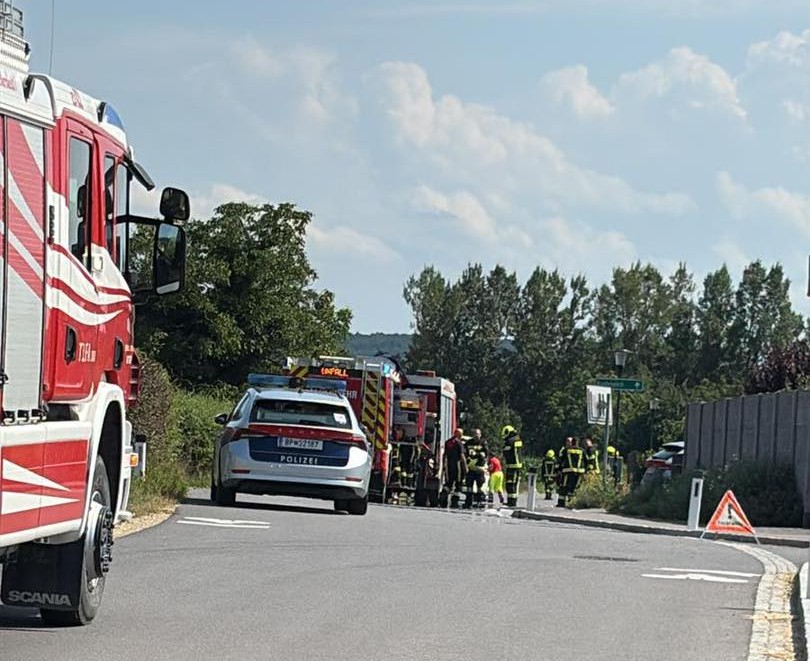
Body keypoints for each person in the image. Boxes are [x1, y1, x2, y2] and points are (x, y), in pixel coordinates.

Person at [557, 436, 584, 507]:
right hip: (579, 472)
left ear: (572, 442)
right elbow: (586, 461)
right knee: (575, 487)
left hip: (568, 471)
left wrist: (558, 470)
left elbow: (561, 460)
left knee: (564, 486)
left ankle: (561, 503)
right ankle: (572, 503)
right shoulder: (582, 450)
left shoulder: (567, 450)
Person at [443, 428, 467, 507]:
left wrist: (444, 466)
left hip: (449, 466)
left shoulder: (448, 442)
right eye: (461, 434)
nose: (461, 435)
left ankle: (443, 499)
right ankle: (454, 502)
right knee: (458, 484)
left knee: (448, 484)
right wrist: (465, 468)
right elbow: (462, 455)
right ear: (458, 434)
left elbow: (445, 455)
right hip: (457, 466)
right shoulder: (458, 443)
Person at [464, 431, 488, 509]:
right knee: (469, 486)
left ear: (480, 435)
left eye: (477, 435)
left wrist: (478, 455)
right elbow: (465, 453)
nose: (476, 436)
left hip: (479, 468)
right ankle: (468, 503)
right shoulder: (468, 443)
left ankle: (479, 502)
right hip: (470, 468)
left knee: (479, 486)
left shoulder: (483, 443)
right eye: (475, 435)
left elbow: (486, 454)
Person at [502, 425, 524, 507]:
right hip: (514, 466)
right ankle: (511, 501)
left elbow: (506, 452)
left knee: (511, 484)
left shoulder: (510, 441)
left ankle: (512, 502)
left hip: (513, 466)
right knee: (512, 484)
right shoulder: (517, 439)